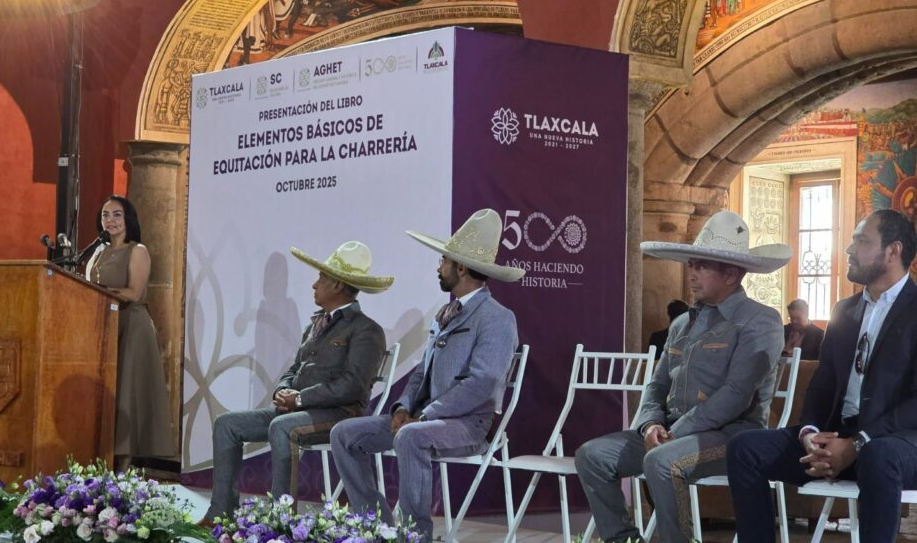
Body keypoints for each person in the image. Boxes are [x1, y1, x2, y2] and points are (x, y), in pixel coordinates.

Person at [574, 210, 790, 543]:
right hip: (671, 434)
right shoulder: (681, 324)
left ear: (731, 274)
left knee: (661, 461)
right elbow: (657, 385)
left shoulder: (760, 320)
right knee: (592, 455)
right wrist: (650, 425)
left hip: (734, 437)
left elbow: (736, 394)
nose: (691, 274)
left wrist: (676, 432)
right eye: (691, 265)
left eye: (701, 266)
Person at [330, 208, 524, 541]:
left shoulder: (497, 318)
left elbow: (483, 383)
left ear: (460, 268)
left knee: (410, 437)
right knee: (343, 434)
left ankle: (413, 535)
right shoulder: (444, 313)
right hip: (422, 418)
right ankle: (376, 526)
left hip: (468, 424)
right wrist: (403, 408)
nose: (438, 266)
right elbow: (422, 372)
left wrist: (424, 416)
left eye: (443, 260)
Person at [727, 208, 917, 543]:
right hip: (838, 436)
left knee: (878, 455)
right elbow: (823, 383)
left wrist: (859, 442)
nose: (849, 249)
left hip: (898, 443)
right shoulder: (844, 310)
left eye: (861, 241)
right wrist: (810, 433)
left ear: (893, 251)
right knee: (744, 449)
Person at [203, 241, 392, 522]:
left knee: (282, 427)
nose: (314, 285)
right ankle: (220, 513)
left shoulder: (366, 329)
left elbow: (352, 386)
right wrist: (283, 390)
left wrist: (301, 398)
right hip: (299, 410)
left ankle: (282, 523)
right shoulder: (314, 325)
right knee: (227, 425)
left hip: (340, 414)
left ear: (338, 285)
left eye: (321, 278)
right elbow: (294, 369)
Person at [86, 195, 175, 469]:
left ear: (128, 220)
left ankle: (123, 468)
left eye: (116, 215)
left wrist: (99, 293)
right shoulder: (97, 252)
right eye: (105, 215)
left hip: (132, 326)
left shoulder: (138, 250)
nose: (110, 220)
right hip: (104, 327)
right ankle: (99, 460)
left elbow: (133, 293)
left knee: (127, 393)